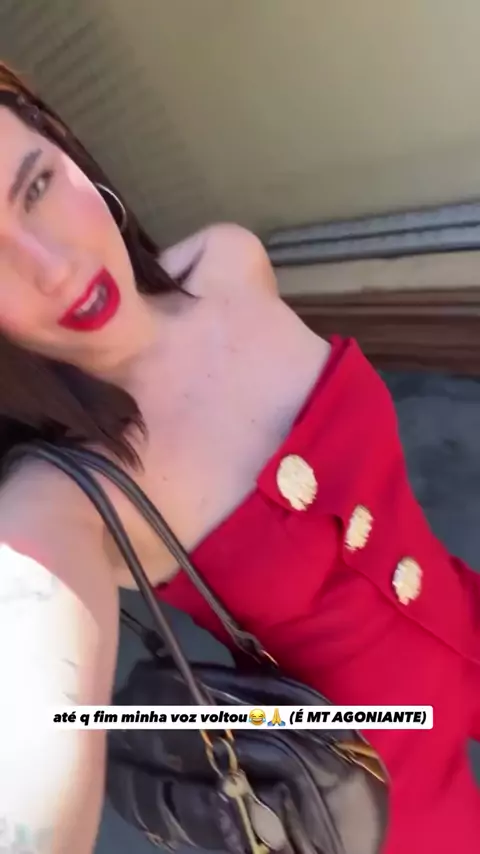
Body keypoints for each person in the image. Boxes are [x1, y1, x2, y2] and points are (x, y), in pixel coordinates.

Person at [0, 60, 478, 854]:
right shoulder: (64, 495)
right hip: (390, 785)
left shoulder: (230, 262)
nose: (54, 267)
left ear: (65, 146)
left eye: (36, 186)